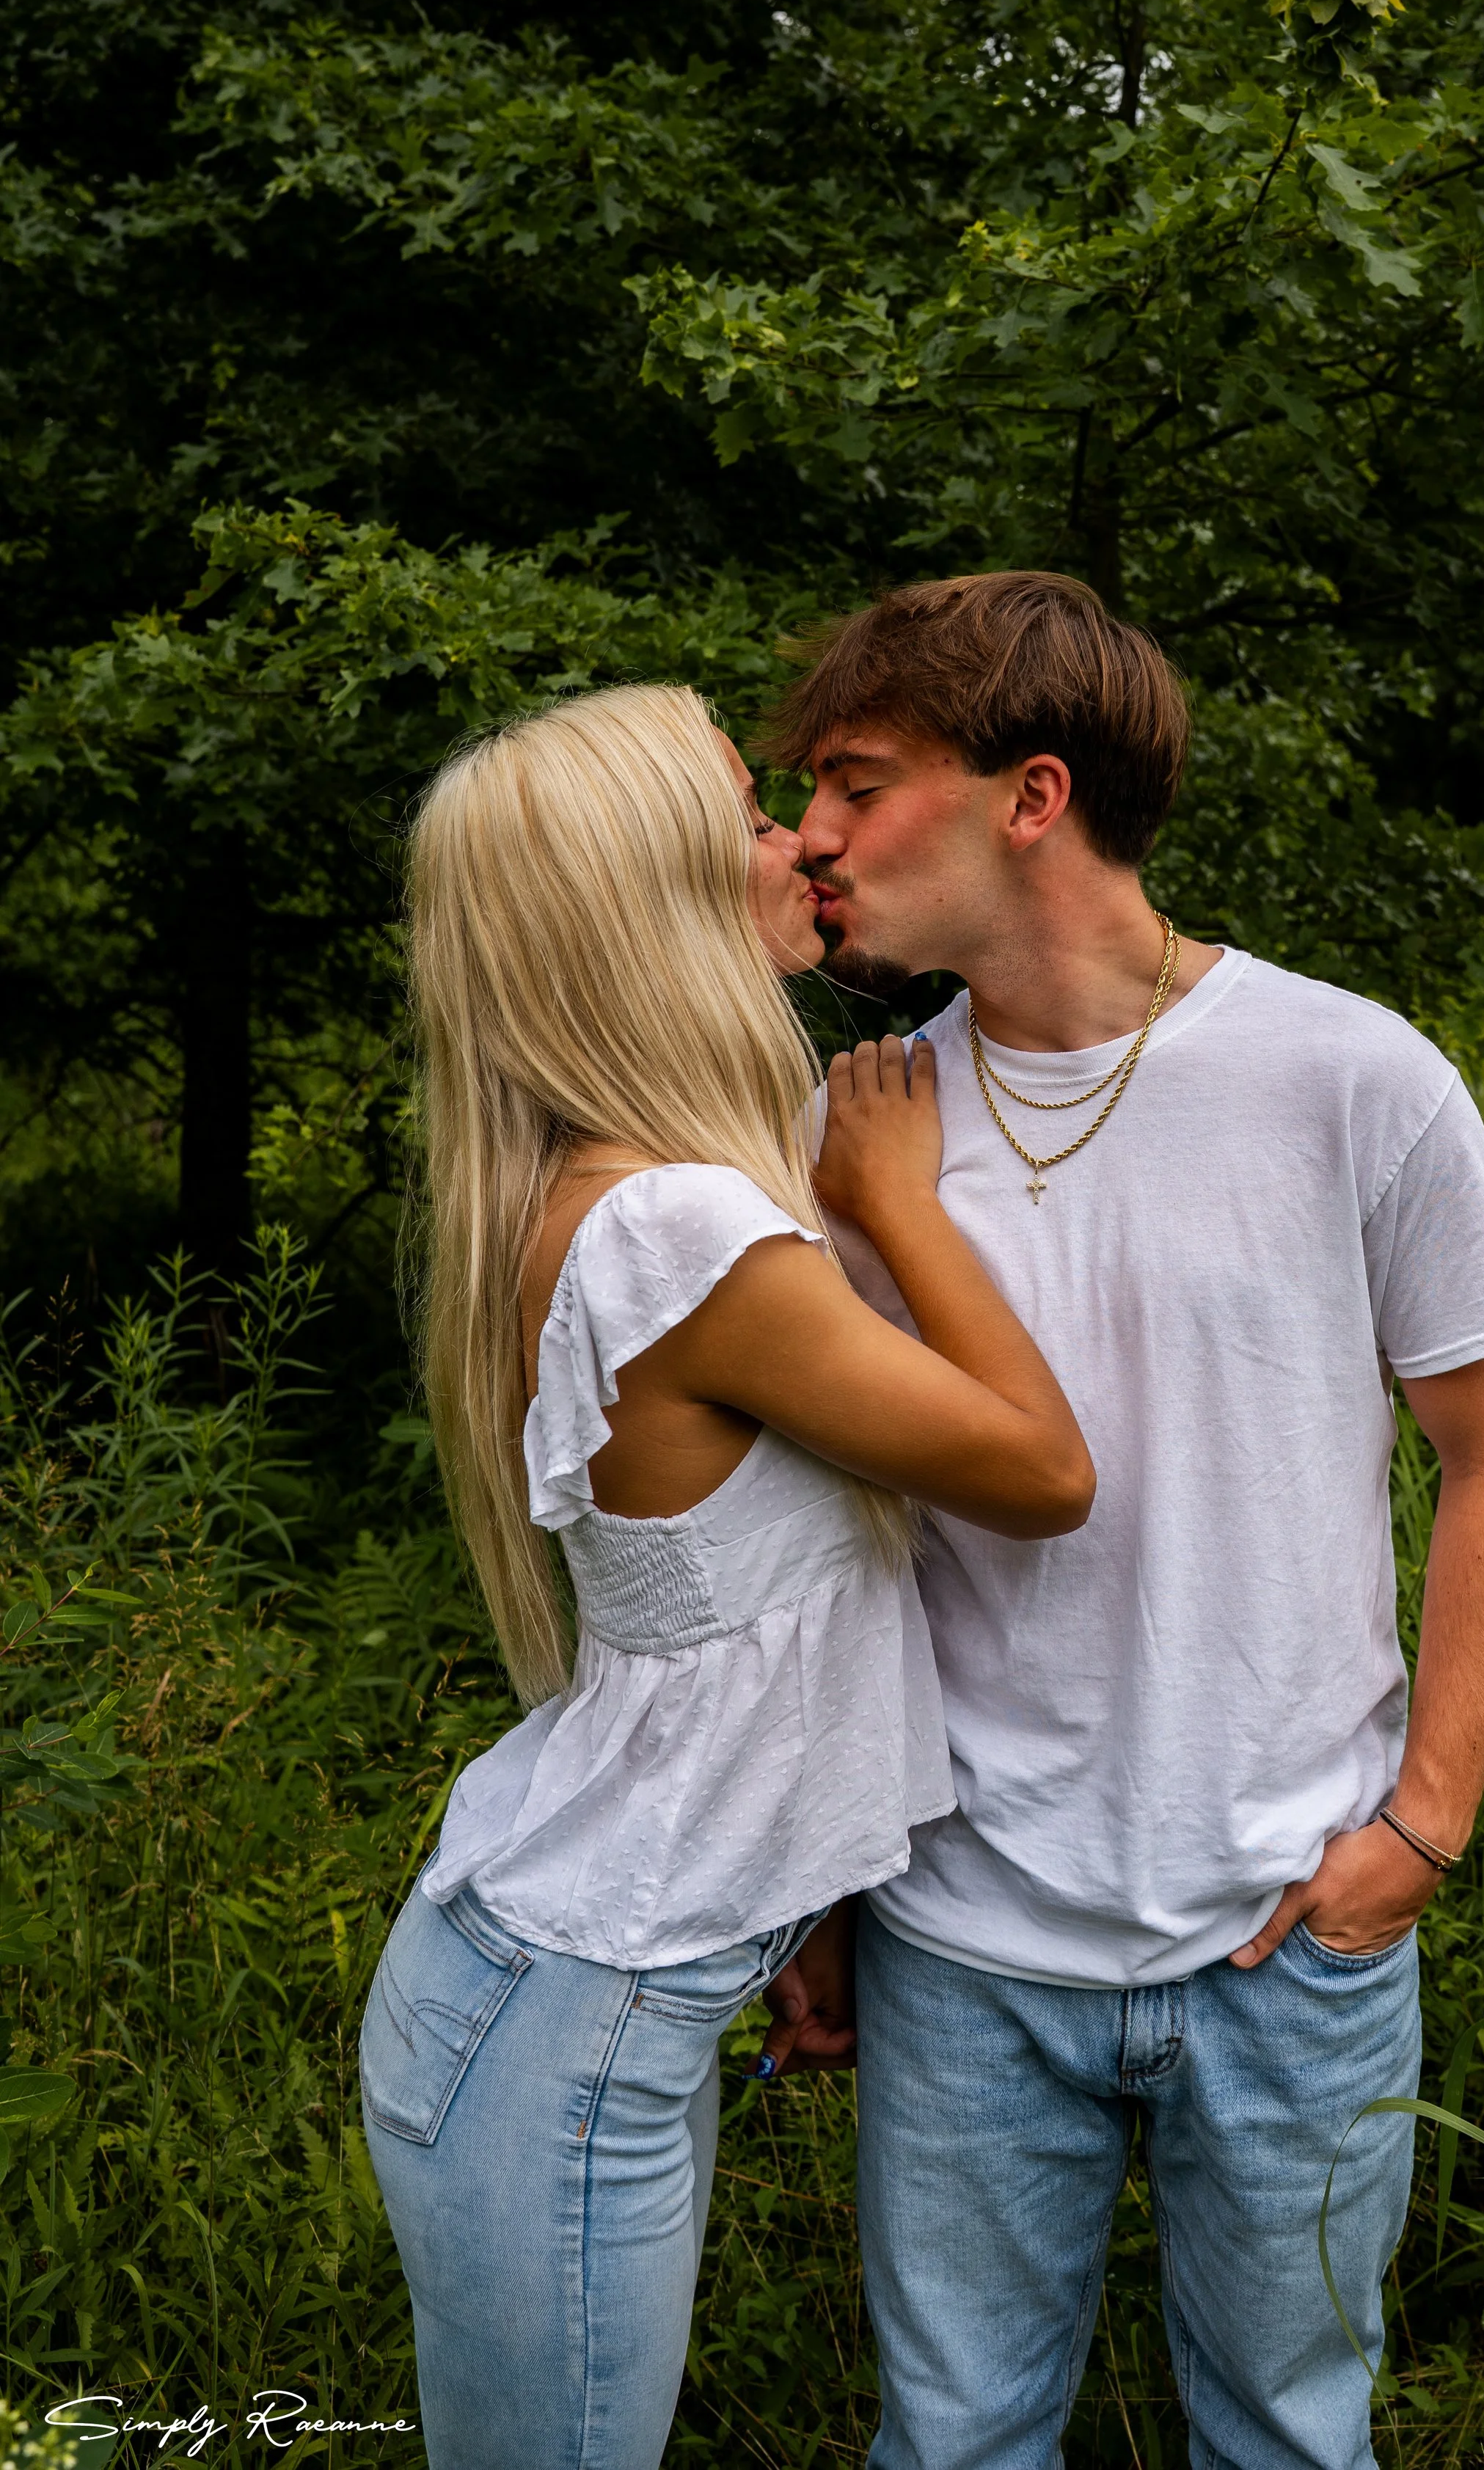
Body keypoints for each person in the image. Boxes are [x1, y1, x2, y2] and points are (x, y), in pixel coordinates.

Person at [758, 573, 1484, 2470]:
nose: (809, 836)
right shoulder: (843, 1122)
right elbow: (822, 1540)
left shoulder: (1351, 1077)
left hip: (1291, 1932)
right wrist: (817, 1883)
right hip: (960, 1938)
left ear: (1027, 796)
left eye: (857, 782)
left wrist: (1423, 1823)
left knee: (1290, 2439)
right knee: (951, 2444)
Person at [359, 682, 1094, 2470]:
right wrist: (898, 1195)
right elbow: (1040, 1476)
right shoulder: (682, 1227)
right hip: (574, 2014)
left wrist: (804, 1900)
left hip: (579, 1985)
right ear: (650, 889)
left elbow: (753, 1623)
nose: (802, 842)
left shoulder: (615, 1193)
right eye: (749, 817)